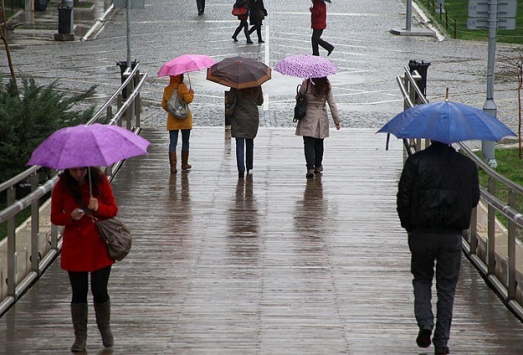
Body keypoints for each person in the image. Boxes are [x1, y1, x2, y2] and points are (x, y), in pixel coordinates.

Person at [396, 141, 480, 355]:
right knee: (447, 287)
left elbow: (403, 197)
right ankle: (441, 341)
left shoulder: (416, 162)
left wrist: (409, 225)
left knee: (422, 279)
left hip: (422, 232)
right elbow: (474, 198)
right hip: (451, 235)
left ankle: (425, 323)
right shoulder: (467, 165)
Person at [50, 167, 119, 352]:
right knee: (78, 292)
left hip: (99, 245)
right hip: (76, 247)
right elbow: (55, 217)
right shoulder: (61, 186)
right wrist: (70, 216)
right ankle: (80, 337)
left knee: (100, 289)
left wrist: (99, 207)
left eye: (82, 169)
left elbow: (113, 210)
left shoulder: (100, 181)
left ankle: (105, 329)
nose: (79, 173)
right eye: (74, 170)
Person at [295, 76, 340, 178]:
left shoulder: (306, 82)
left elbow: (300, 97)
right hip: (321, 116)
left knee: (308, 143)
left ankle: (310, 167)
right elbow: (331, 103)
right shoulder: (326, 83)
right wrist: (337, 121)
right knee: (319, 142)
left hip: (308, 115)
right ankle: (318, 165)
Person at [162, 74, 195, 173]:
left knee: (173, 143)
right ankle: (184, 164)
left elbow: (164, 104)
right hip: (185, 119)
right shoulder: (182, 87)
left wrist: (173, 112)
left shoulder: (167, 89)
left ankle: (173, 166)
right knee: (185, 142)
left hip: (172, 120)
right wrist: (191, 93)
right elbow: (188, 100)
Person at [229, 86, 264, 178]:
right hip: (252, 116)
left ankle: (241, 169)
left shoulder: (236, 84)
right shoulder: (256, 85)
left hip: (238, 115)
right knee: (250, 140)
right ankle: (249, 165)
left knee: (239, 143)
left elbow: (230, 99)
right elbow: (260, 102)